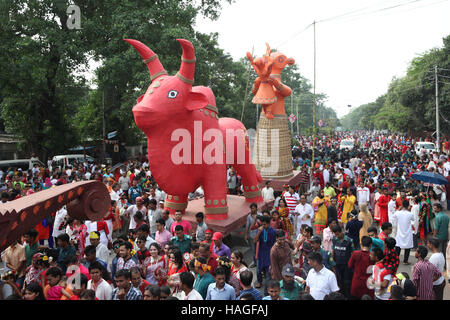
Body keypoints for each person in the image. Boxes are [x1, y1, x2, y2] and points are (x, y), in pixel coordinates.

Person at [331, 224, 354, 298]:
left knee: (347, 281)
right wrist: (332, 262)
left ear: (341, 232)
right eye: (335, 234)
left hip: (346, 265)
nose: (337, 236)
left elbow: (353, 253)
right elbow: (333, 251)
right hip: (337, 265)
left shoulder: (349, 241)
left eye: (338, 234)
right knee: (338, 281)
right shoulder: (334, 239)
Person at [254, 215, 276, 288]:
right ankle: (259, 281)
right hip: (261, 253)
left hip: (269, 253)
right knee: (259, 269)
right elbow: (255, 240)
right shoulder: (260, 230)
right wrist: (259, 232)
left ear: (268, 224)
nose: (263, 226)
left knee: (268, 271)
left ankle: (267, 286)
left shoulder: (273, 231)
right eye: (262, 224)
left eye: (264, 224)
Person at [393, 200, 414, 265]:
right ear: (408, 206)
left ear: (401, 205)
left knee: (398, 246)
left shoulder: (397, 213)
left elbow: (394, 216)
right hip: (407, 232)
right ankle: (405, 260)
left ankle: (395, 259)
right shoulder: (410, 214)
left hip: (400, 231)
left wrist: (398, 209)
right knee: (407, 247)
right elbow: (413, 219)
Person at [245, 203, 261, 268]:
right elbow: (247, 226)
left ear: (256, 208)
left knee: (259, 249)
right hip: (252, 236)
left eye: (253, 208)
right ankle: (255, 263)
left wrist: (256, 219)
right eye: (251, 208)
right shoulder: (249, 216)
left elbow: (261, 224)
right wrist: (246, 234)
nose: (252, 209)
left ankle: (259, 262)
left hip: (259, 235)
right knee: (253, 250)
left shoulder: (260, 215)